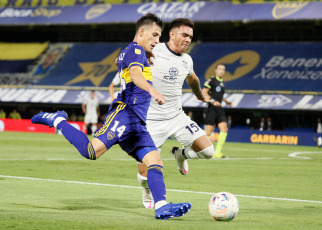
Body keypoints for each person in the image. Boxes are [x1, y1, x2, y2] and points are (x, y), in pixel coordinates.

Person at [31, 13, 191, 220]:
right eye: (154, 35)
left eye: (158, 37)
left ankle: (161, 206)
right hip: (125, 114)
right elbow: (134, 75)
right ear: (141, 32)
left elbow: (125, 62)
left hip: (138, 123)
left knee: (155, 162)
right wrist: (153, 92)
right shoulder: (134, 49)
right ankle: (58, 120)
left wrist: (133, 59)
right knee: (91, 152)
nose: (157, 41)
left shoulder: (133, 51)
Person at [136, 18, 214, 209]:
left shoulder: (187, 59)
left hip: (176, 117)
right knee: (144, 172)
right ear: (172, 34)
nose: (188, 40)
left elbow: (193, 79)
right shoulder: (154, 49)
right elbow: (127, 57)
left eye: (190, 37)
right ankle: (146, 191)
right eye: (184, 35)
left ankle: (181, 155)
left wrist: (200, 95)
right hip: (151, 121)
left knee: (207, 151)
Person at [202, 64, 232, 158]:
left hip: (219, 109)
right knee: (208, 132)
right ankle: (197, 147)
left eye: (223, 69)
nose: (222, 71)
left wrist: (226, 101)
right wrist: (213, 101)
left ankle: (217, 153)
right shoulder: (211, 80)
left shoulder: (222, 82)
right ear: (215, 70)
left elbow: (219, 95)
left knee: (224, 128)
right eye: (220, 69)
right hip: (211, 108)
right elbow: (204, 92)